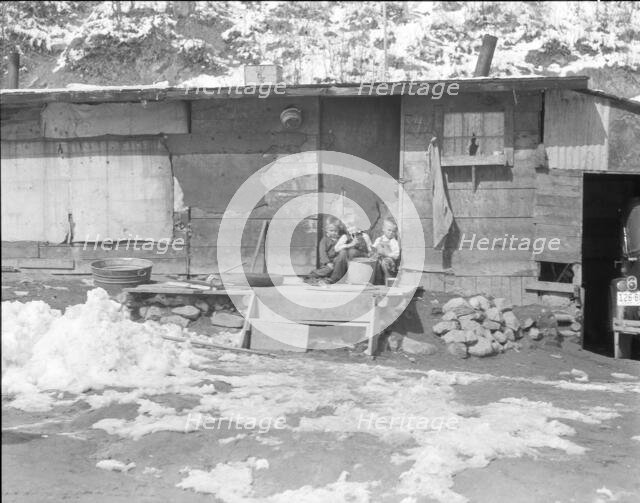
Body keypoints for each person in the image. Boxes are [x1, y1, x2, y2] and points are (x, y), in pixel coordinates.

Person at [371, 218, 400, 285]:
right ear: (383, 229)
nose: (391, 233)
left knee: (385, 262)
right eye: (389, 230)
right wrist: (374, 251)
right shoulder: (379, 239)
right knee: (375, 262)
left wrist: (387, 254)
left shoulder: (394, 242)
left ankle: (389, 280)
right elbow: (374, 248)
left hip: (389, 261)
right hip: (379, 259)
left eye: (393, 231)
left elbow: (396, 255)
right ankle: (376, 282)